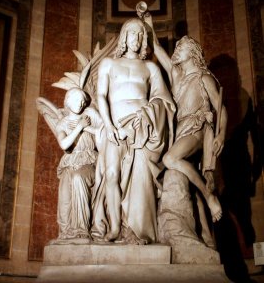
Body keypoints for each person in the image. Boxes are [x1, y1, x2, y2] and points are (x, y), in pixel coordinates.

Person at [92, 17, 175, 243]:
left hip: (141, 130)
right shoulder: (108, 64)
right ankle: (115, 227)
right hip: (115, 126)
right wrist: (108, 126)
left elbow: (163, 100)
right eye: (132, 33)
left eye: (141, 35)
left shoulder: (150, 67)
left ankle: (138, 229)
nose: (136, 39)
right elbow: (101, 96)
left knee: (139, 180)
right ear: (123, 37)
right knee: (111, 174)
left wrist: (148, 117)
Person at [144, 13, 227, 223]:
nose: (176, 51)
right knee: (155, 165)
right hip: (179, 130)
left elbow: (221, 107)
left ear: (192, 53)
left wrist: (222, 135)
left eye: (180, 48)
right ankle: (203, 228)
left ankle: (210, 196)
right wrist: (148, 24)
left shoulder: (204, 77)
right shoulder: (176, 75)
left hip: (198, 128)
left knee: (170, 159)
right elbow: (156, 46)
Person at [54, 87, 102, 240]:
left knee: (78, 178)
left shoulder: (90, 114)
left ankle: (82, 229)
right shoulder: (62, 123)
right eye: (76, 100)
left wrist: (89, 129)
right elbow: (64, 144)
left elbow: (105, 130)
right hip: (70, 163)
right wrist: (80, 127)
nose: (80, 104)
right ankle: (68, 231)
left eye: (82, 101)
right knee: (65, 196)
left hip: (90, 162)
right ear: (68, 101)